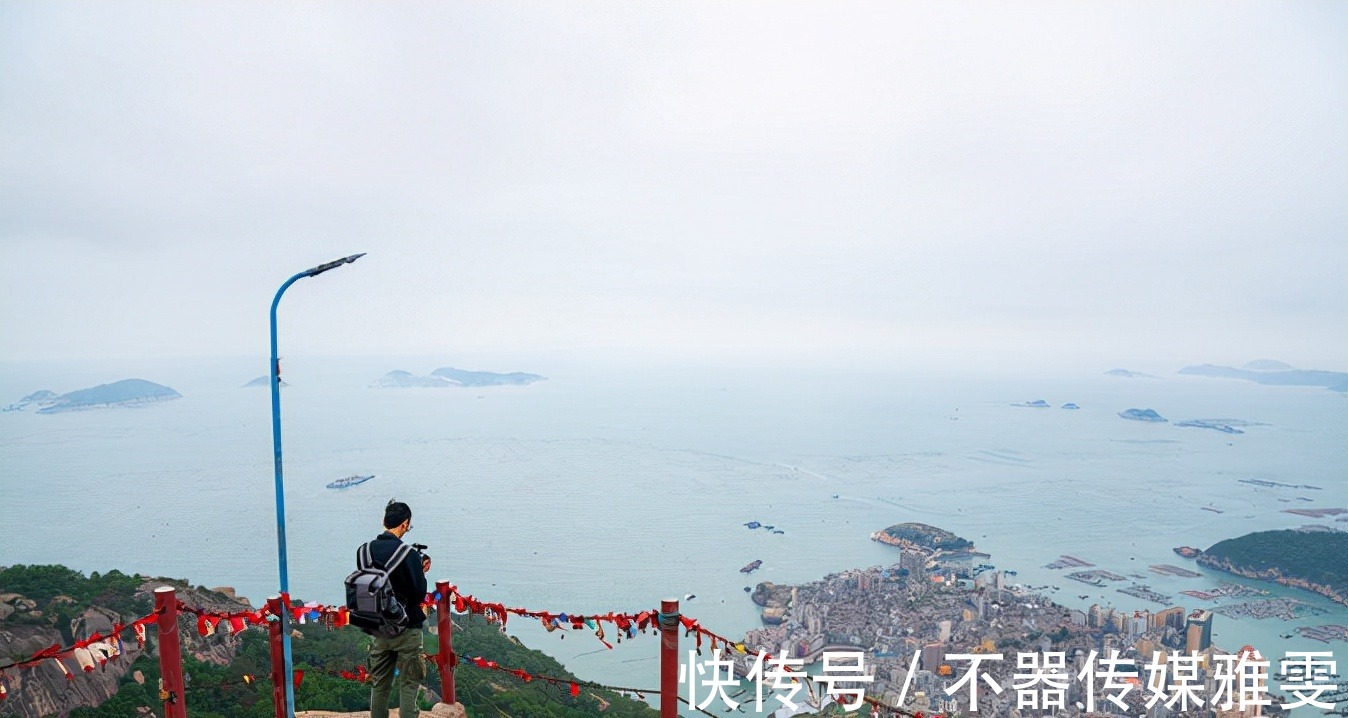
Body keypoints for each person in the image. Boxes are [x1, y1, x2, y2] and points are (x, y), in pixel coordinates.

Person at [367, 499, 430, 718]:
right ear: (404, 524)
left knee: (379, 685)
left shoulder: (365, 551)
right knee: (409, 683)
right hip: (407, 628)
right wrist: (419, 571)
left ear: (384, 521)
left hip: (378, 627)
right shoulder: (409, 554)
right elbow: (418, 594)